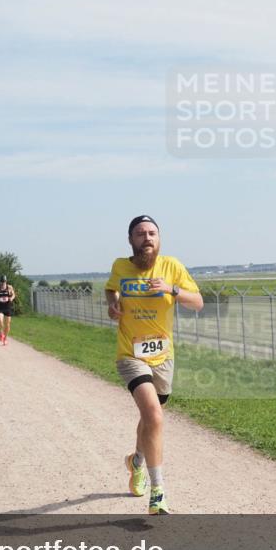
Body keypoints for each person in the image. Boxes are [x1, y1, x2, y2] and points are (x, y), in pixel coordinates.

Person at [105, 215, 203, 514]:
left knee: (152, 417)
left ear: (159, 238)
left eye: (152, 233)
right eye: (140, 233)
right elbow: (111, 289)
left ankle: (136, 460)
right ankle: (158, 491)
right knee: (154, 416)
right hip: (131, 354)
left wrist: (171, 289)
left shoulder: (172, 266)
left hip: (163, 357)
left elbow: (197, 302)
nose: (147, 238)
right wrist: (112, 304)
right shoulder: (120, 266)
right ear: (130, 239)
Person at [0, 275, 16, 344]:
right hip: (0, 307)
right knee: (0, 319)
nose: (2, 283)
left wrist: (11, 298)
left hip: (7, 307)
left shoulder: (9, 287)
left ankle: (5, 338)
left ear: (6, 281)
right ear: (0, 281)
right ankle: (1, 333)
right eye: (1, 282)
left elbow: (13, 294)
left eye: (4, 282)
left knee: (7, 325)